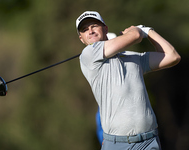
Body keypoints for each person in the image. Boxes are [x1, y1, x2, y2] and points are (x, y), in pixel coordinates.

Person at [76, 11, 181, 150]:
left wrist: (148, 30)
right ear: (82, 39)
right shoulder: (88, 55)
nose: (90, 31)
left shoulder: (132, 57)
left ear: (105, 29)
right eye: (85, 29)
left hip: (149, 142)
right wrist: (137, 31)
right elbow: (135, 35)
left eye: (94, 26)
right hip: (117, 144)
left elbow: (172, 56)